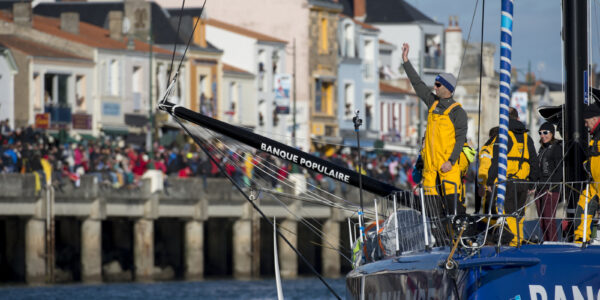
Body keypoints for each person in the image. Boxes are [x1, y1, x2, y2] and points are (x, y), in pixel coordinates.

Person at [402, 43, 468, 215]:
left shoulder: (457, 112)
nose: (434, 87)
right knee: (433, 216)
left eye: (437, 85)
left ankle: (460, 239)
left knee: (454, 213)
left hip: (448, 168)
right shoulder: (433, 103)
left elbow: (460, 139)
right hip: (430, 170)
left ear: (447, 88)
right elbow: (418, 84)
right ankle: (439, 242)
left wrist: (451, 161)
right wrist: (406, 61)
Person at [485, 108, 540, 246]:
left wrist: (489, 181)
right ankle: (518, 241)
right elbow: (534, 161)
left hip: (506, 182)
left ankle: (512, 243)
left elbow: (496, 161)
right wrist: (532, 183)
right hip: (523, 183)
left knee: (505, 214)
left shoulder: (503, 136)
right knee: (519, 216)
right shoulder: (527, 138)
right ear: (517, 118)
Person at [574, 101, 600, 243]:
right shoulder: (595, 135)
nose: (585, 125)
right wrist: (587, 165)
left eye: (586, 121)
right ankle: (580, 238)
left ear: (595, 119)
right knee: (583, 205)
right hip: (594, 183)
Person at [535, 122, 563, 242]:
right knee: (542, 220)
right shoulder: (542, 149)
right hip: (540, 188)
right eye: (540, 133)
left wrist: (552, 187)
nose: (543, 135)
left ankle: (552, 243)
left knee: (549, 219)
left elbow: (559, 170)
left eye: (545, 133)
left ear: (552, 133)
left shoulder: (556, 148)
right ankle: (546, 242)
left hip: (550, 189)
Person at [477, 126, 499, 214]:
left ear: (491, 137)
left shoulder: (487, 149)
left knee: (489, 212)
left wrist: (481, 185)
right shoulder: (505, 149)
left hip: (490, 186)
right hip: (504, 185)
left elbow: (483, 169)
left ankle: (489, 227)